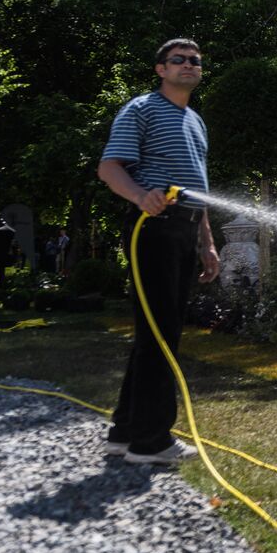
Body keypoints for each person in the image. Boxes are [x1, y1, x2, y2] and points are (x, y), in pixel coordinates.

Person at [97, 38, 220, 466]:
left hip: (185, 230)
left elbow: (196, 189)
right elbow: (109, 167)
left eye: (195, 61)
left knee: (157, 332)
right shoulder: (141, 109)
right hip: (154, 228)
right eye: (179, 60)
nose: (189, 65)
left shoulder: (196, 122)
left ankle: (126, 431)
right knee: (160, 334)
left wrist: (206, 242)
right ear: (160, 69)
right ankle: (151, 443)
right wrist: (139, 196)